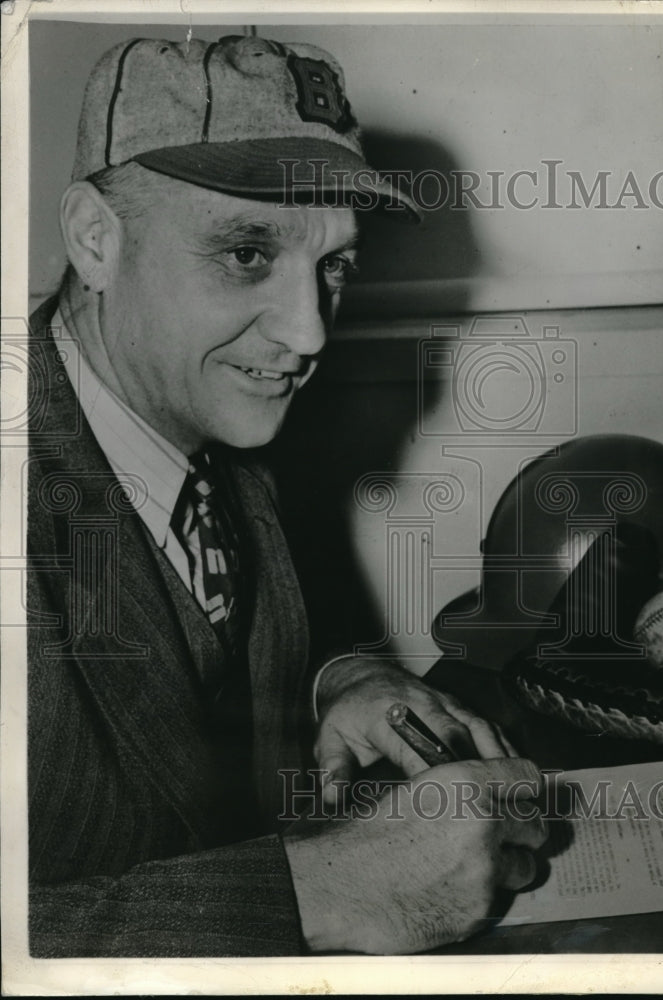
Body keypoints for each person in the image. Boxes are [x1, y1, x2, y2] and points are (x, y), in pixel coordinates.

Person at [27, 33, 546, 957]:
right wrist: (321, 890)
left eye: (334, 266)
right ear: (94, 240)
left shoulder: (211, 419)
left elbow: (211, 651)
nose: (309, 334)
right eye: (246, 253)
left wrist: (335, 681)